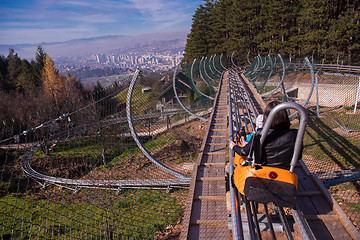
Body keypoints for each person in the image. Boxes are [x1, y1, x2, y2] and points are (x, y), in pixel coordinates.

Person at [229, 101, 300, 170]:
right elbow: (298, 156)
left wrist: (234, 146)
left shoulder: (260, 134)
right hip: (285, 171)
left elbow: (243, 152)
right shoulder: (295, 134)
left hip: (264, 170)